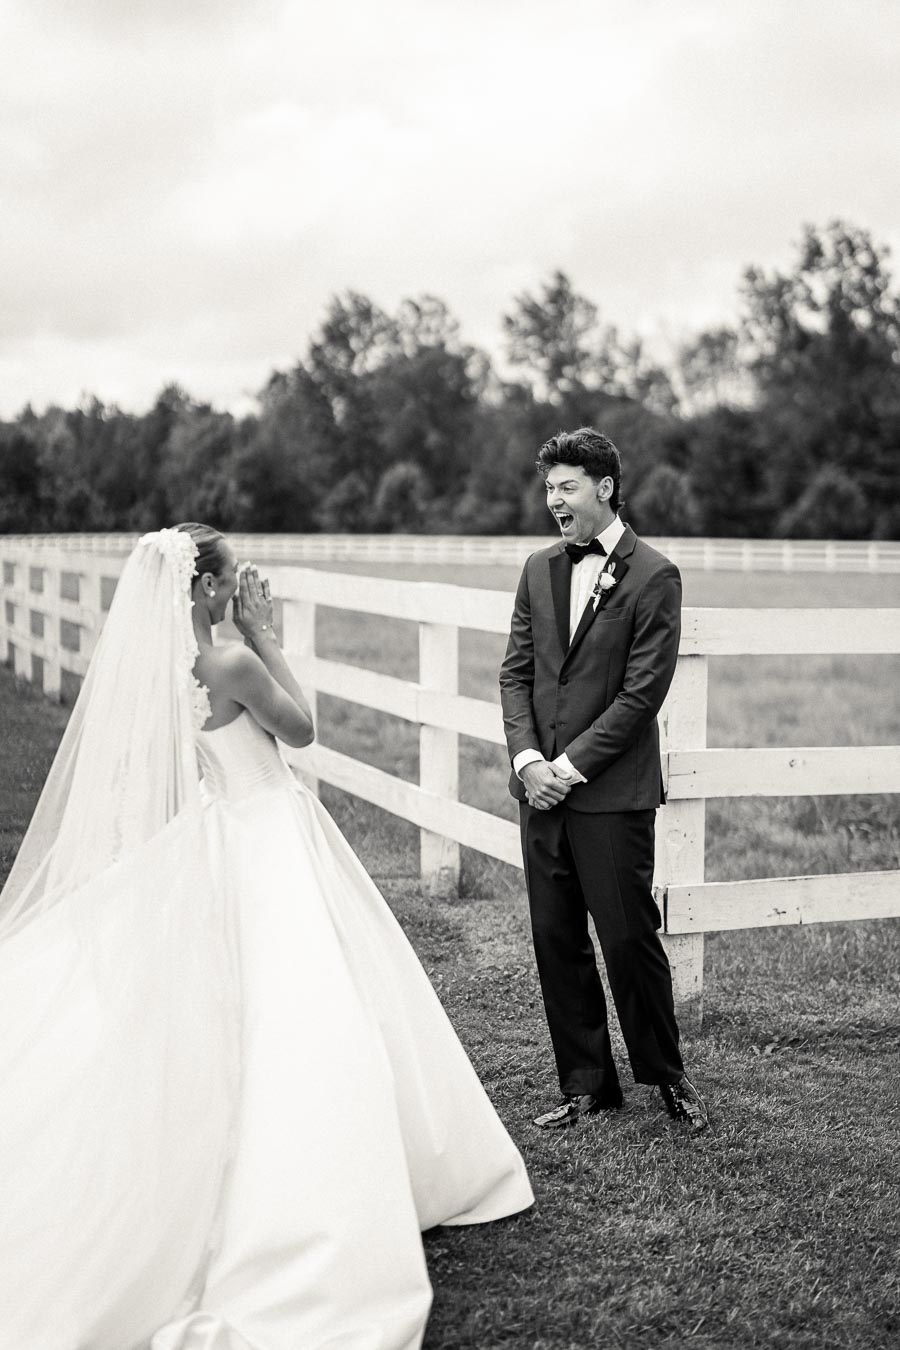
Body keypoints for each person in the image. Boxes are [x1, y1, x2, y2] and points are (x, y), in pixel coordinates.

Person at [0, 523, 533, 1350]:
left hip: (214, 838)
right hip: (269, 832)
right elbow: (301, 729)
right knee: (304, 1009)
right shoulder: (231, 662)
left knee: (241, 1011)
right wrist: (264, 634)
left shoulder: (161, 675)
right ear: (208, 588)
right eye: (226, 581)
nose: (235, 589)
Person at [499, 428, 708, 1134]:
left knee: (627, 939)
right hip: (540, 794)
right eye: (549, 487)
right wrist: (529, 763)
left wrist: (569, 767)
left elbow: (641, 694)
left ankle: (666, 1076)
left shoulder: (654, 575)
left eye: (566, 487)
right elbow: (517, 673)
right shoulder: (536, 569)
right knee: (556, 939)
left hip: (610, 794)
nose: (553, 500)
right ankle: (588, 1084)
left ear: (604, 488)